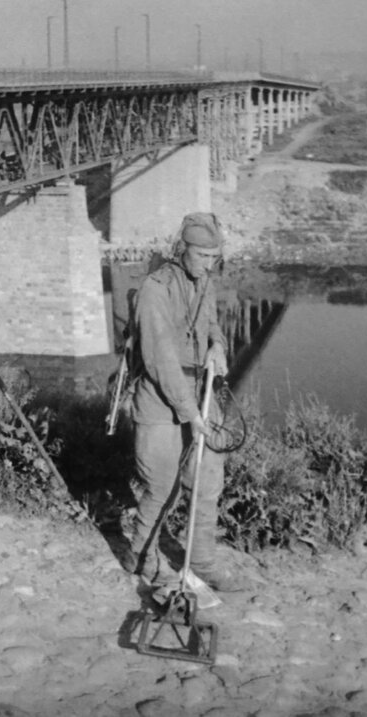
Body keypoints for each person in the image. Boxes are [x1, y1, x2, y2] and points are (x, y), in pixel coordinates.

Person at [126, 211, 250, 593]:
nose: (208, 265)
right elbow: (159, 358)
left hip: (201, 391)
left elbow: (211, 323)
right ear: (181, 250)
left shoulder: (205, 281)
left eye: (214, 258)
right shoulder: (155, 289)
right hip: (161, 400)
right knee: (162, 486)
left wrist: (219, 345)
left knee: (208, 481)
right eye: (201, 257)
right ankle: (143, 558)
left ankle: (202, 562)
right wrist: (191, 414)